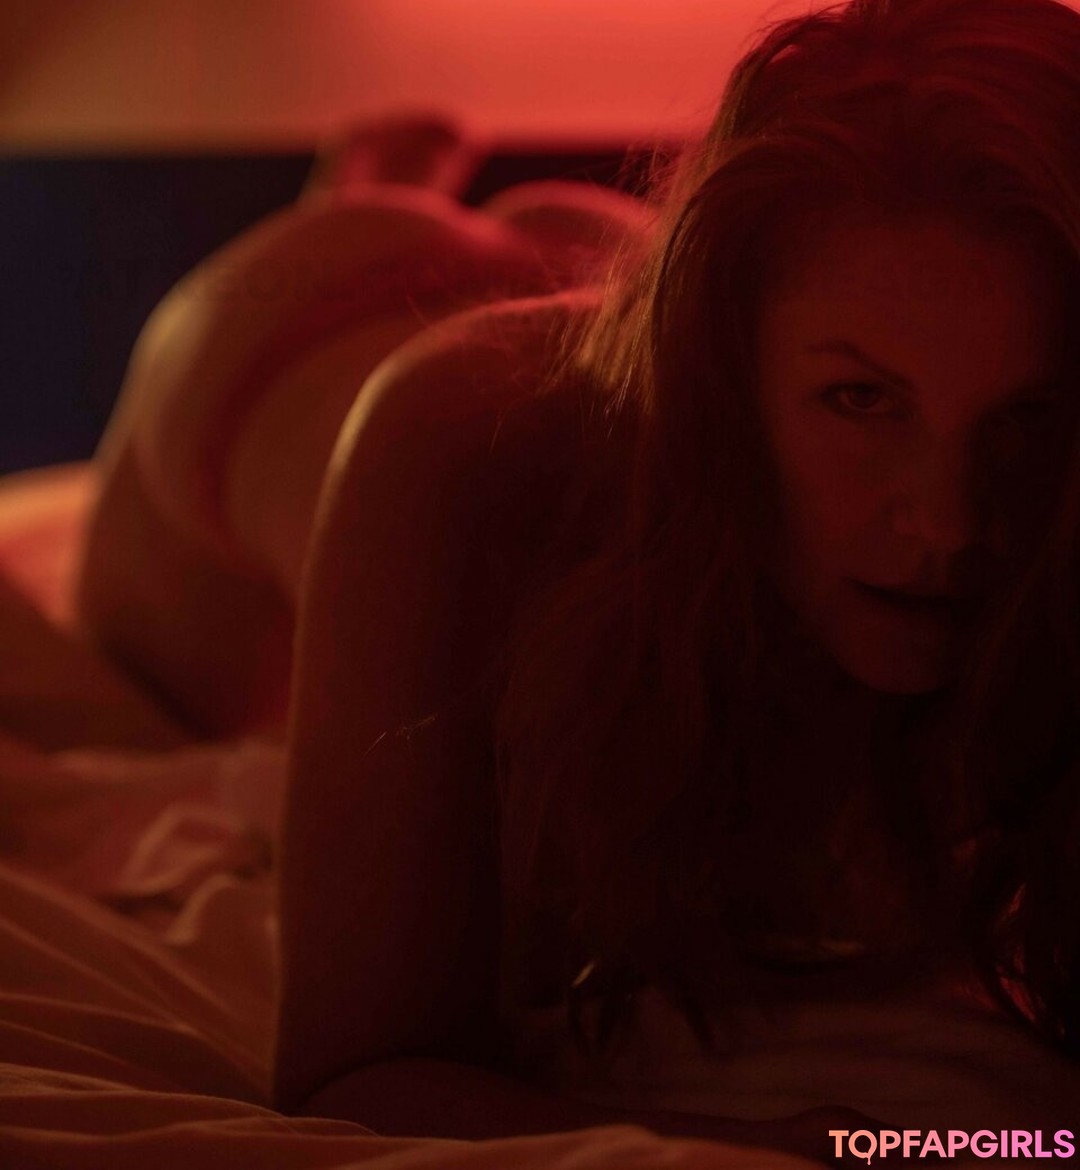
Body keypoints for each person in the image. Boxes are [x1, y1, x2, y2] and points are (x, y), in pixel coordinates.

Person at [75, 0, 1080, 1160]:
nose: (949, 521)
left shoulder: (885, 338)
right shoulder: (460, 465)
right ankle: (355, 199)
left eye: (1026, 416)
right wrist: (817, 1150)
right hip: (278, 354)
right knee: (328, 335)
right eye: (863, 402)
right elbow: (357, 1074)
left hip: (610, 281)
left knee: (605, 272)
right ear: (721, 375)